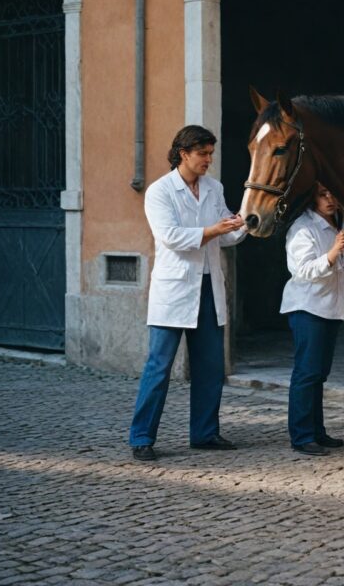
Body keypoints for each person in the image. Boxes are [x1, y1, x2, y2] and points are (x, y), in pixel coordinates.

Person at [129, 125, 246, 462]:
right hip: (175, 291)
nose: (209, 159)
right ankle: (142, 437)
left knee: (210, 366)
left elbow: (224, 237)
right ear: (183, 153)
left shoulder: (214, 187)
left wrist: (244, 225)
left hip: (209, 287)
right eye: (203, 153)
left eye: (211, 153)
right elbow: (171, 237)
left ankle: (205, 433)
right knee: (159, 366)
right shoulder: (159, 192)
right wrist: (214, 230)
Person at [281, 183, 344, 456]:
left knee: (319, 373)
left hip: (332, 307)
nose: (329, 200)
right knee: (306, 372)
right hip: (307, 308)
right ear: (311, 198)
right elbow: (301, 270)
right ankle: (302, 436)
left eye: (332, 194)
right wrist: (333, 253)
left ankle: (317, 431)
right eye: (322, 195)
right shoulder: (303, 228)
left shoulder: (342, 223)